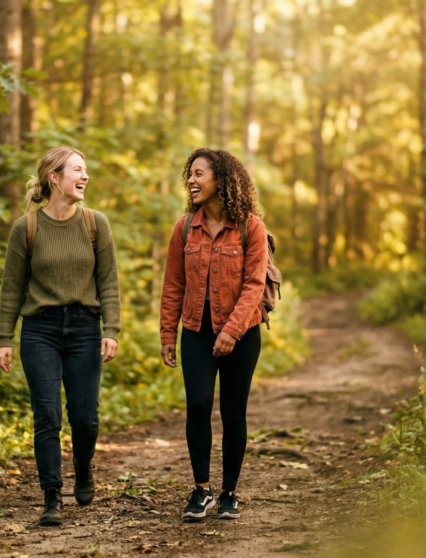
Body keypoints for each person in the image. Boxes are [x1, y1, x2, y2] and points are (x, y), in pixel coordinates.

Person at [0, 146, 120, 527]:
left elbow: (108, 282)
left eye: (86, 170)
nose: (84, 177)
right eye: (77, 170)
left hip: (84, 328)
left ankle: (83, 469)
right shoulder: (26, 227)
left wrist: (111, 329)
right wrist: (4, 337)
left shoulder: (95, 224)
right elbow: (11, 287)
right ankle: (52, 496)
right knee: (46, 417)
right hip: (40, 331)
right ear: (55, 177)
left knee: (85, 419)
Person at [159, 147, 268, 521]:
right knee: (199, 405)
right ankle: (201, 489)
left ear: (221, 179)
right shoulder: (185, 226)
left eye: (199, 173)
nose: (191, 179)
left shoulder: (251, 226)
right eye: (189, 173)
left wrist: (232, 331)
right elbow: (172, 284)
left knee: (234, 412)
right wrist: (166, 334)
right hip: (196, 333)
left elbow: (254, 285)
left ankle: (230, 493)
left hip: (242, 335)